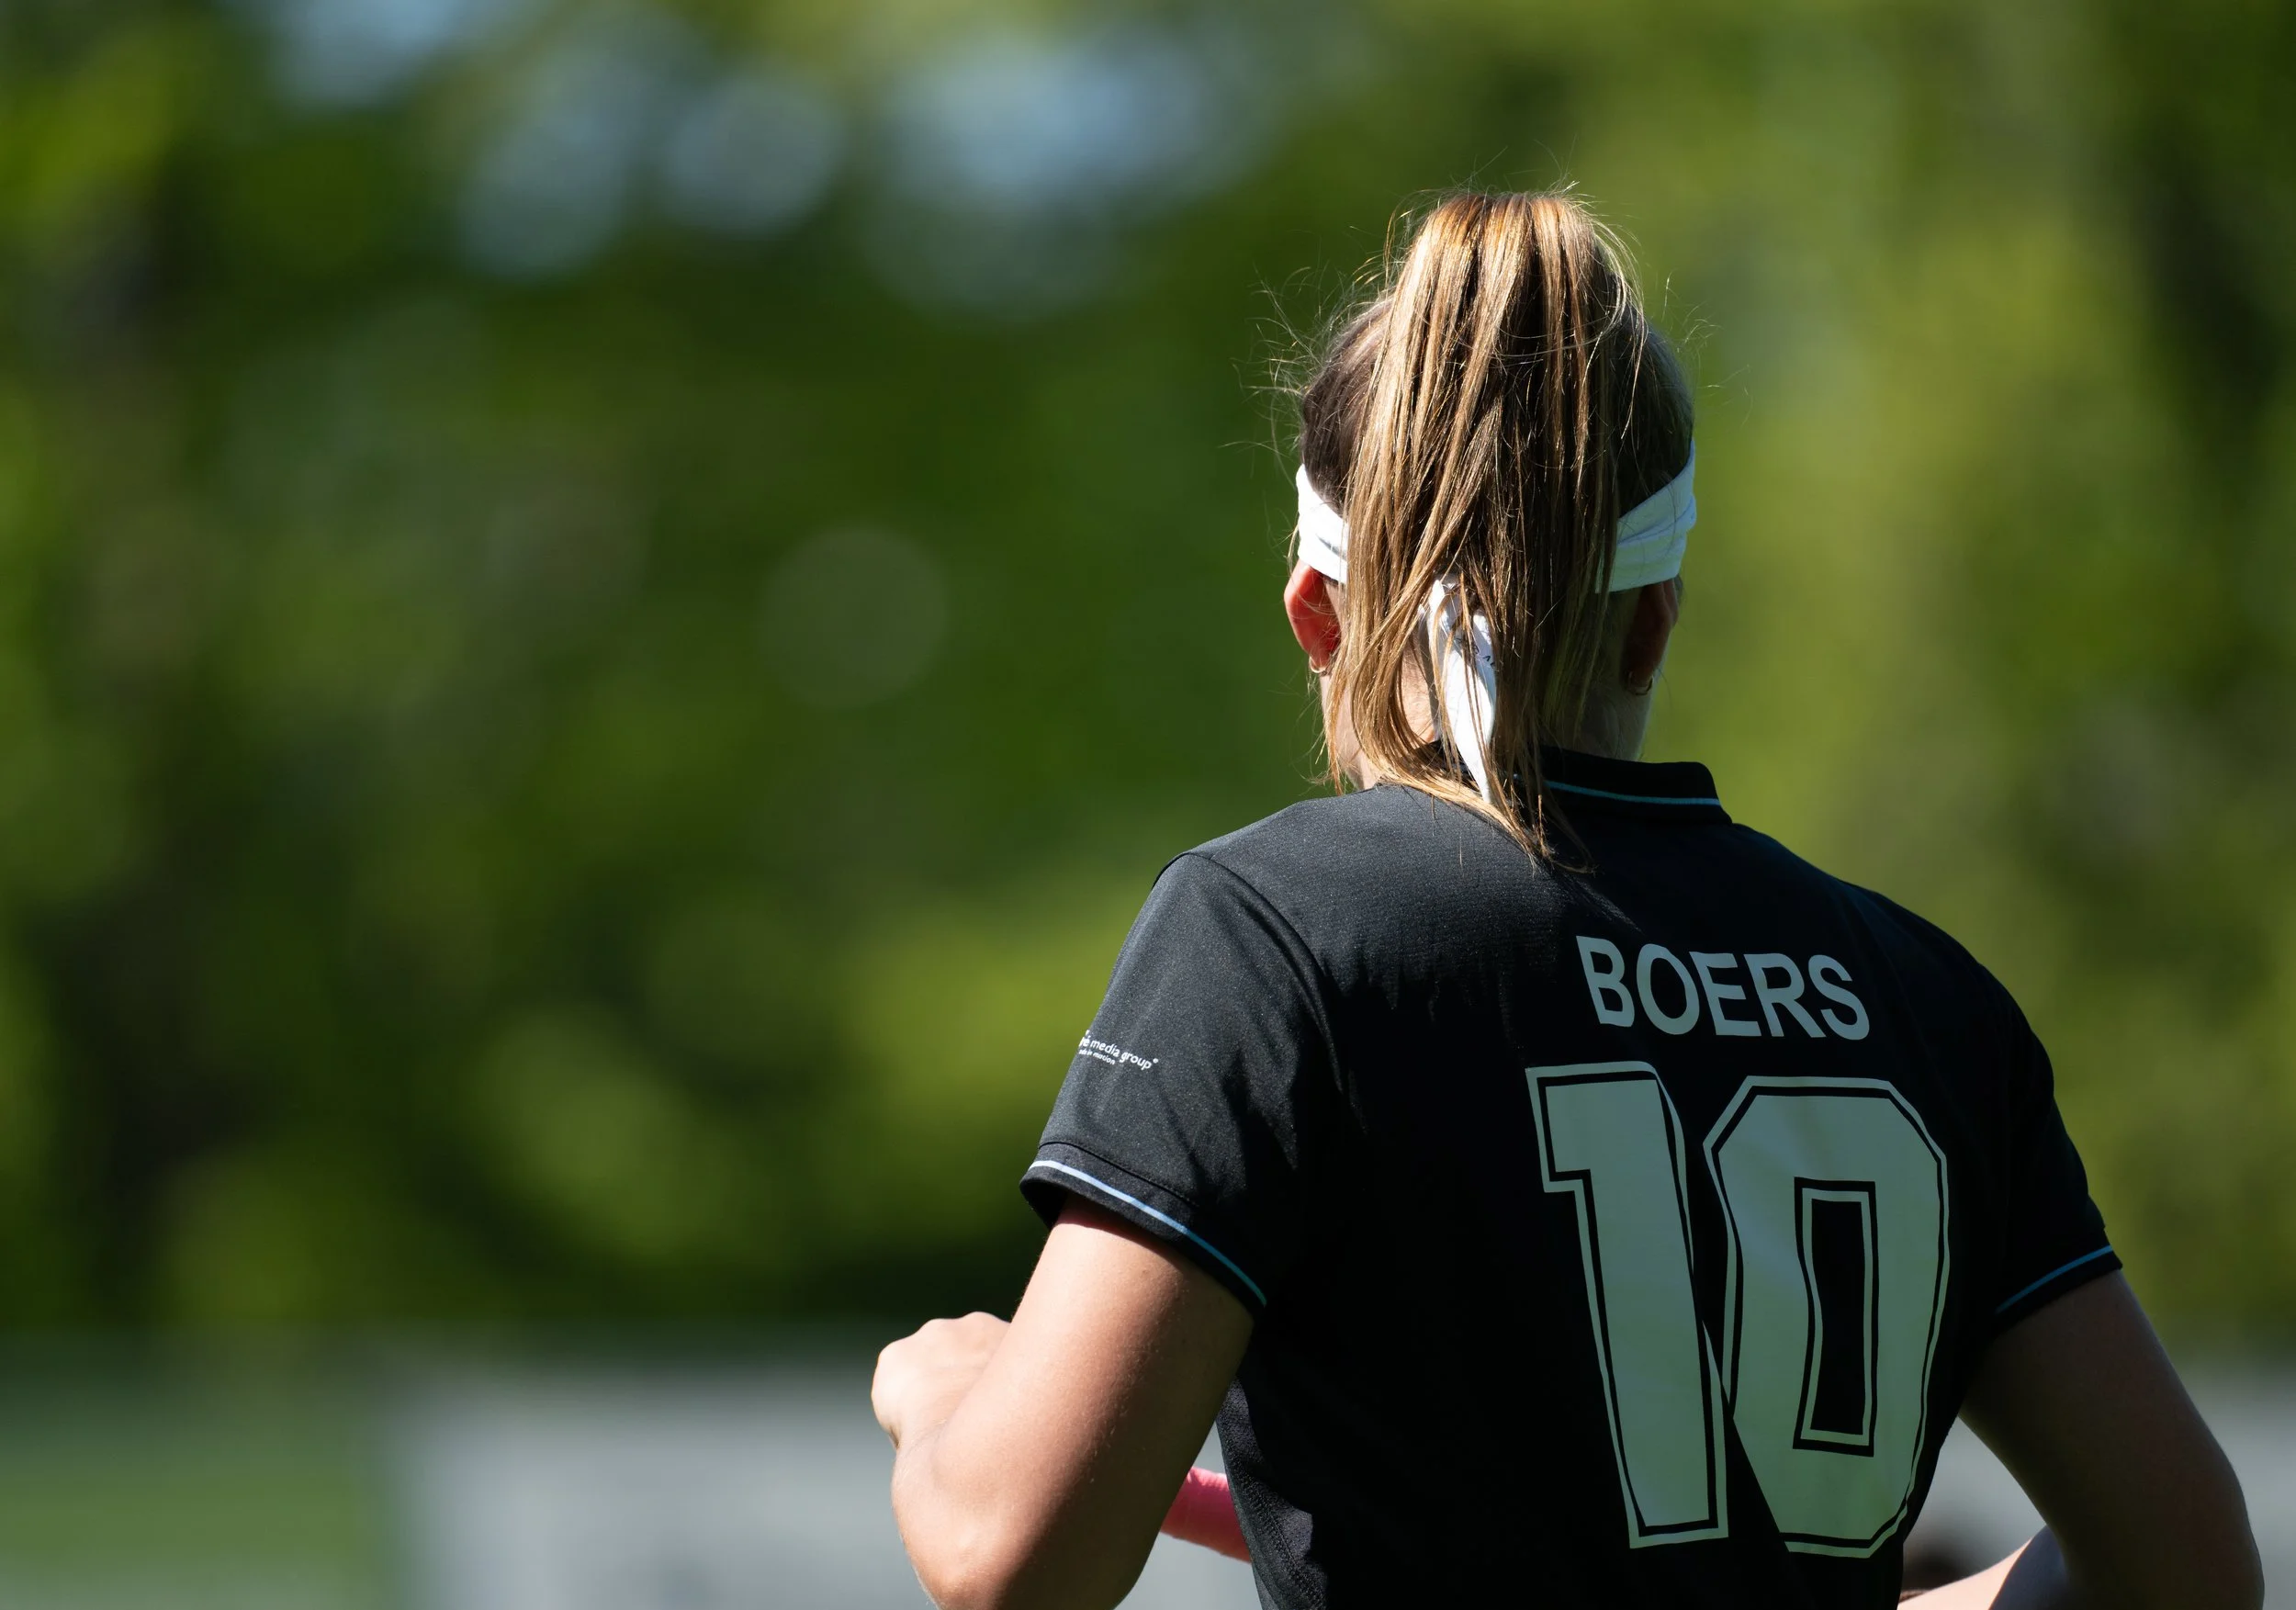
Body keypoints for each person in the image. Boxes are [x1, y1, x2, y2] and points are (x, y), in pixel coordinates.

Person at [869, 190, 2262, 1610]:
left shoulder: (1272, 935)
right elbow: (2192, 1570)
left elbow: (1010, 1556)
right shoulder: (1924, 994)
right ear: (1657, 618)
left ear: (1315, 612)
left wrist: (941, 1399)